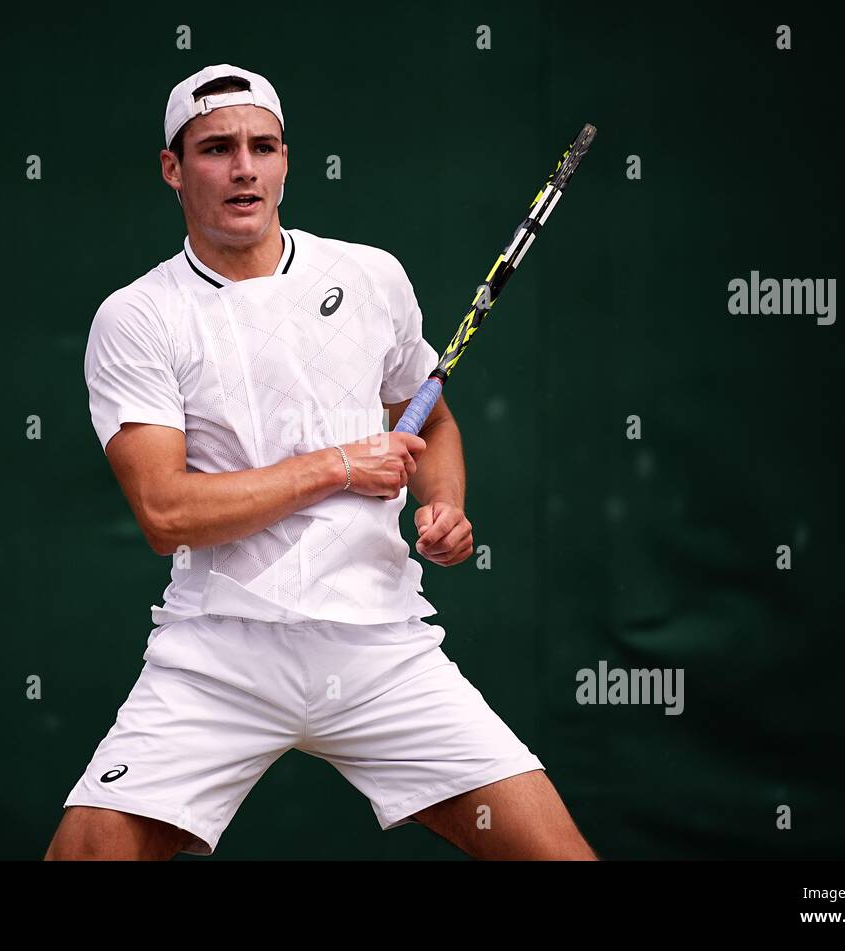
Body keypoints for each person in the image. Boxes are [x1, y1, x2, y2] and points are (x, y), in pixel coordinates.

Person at [45, 63, 597, 861]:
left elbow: (429, 418)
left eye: (262, 146)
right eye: (216, 149)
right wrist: (337, 465)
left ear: (286, 161)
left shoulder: (370, 275)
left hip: (380, 645)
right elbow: (166, 513)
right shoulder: (138, 317)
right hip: (219, 654)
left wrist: (444, 503)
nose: (244, 168)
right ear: (173, 168)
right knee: (87, 855)